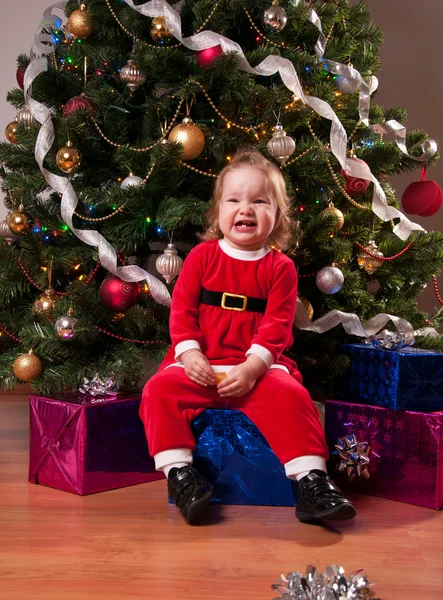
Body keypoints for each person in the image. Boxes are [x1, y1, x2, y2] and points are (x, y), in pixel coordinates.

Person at [140, 148, 356, 525]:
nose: (246, 209)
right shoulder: (202, 258)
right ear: (218, 211)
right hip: (201, 364)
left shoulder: (280, 268)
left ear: (278, 214)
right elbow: (182, 314)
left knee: (293, 397)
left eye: (259, 200)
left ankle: (312, 482)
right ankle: (180, 474)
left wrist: (254, 368)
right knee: (158, 391)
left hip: (257, 368)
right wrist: (190, 356)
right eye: (234, 200)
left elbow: (275, 328)